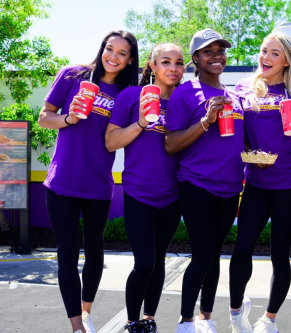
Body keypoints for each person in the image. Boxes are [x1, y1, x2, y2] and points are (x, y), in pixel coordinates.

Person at [38, 30, 139, 333]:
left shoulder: (126, 93)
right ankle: (76, 326)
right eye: (110, 49)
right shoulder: (73, 76)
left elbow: (121, 138)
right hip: (62, 183)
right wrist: (69, 118)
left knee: (94, 250)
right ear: (102, 48)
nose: (113, 56)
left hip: (98, 185)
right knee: (67, 250)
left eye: (122, 53)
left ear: (130, 59)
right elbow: (45, 117)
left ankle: (87, 311)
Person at [164, 29, 245, 333]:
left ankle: (205, 319)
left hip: (231, 187)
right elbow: (171, 144)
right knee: (202, 254)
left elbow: (242, 142)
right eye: (208, 52)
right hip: (196, 184)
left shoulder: (235, 96)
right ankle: (185, 321)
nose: (216, 57)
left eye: (220, 51)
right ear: (195, 58)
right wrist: (205, 121)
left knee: (215, 254)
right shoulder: (186, 92)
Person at [228, 32, 291, 333]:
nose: (266, 58)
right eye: (263, 51)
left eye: (274, 53)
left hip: (289, 184)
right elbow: (235, 134)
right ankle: (235, 313)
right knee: (242, 248)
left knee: (279, 255)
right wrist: (248, 156)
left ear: (286, 61)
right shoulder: (244, 88)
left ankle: (269, 320)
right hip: (256, 183)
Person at [105, 43, 184, 333]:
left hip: (173, 195)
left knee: (159, 260)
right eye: (166, 61)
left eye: (178, 63)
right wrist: (141, 121)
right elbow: (111, 142)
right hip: (139, 193)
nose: (173, 68)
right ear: (152, 65)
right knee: (144, 262)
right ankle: (131, 321)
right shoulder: (130, 96)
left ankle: (149, 320)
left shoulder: (185, 101)